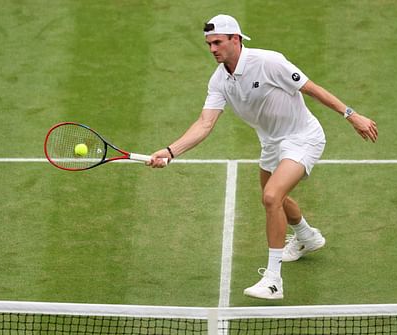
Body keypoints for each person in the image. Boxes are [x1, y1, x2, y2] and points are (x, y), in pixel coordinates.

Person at [148, 14, 378, 300]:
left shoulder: (269, 62)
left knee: (271, 197)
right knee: (275, 198)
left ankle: (273, 280)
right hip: (270, 142)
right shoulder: (220, 80)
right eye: (209, 44)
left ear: (236, 39)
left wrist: (352, 115)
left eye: (217, 42)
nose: (212, 49)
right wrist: (170, 152)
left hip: (303, 138)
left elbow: (312, 89)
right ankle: (307, 237)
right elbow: (205, 124)